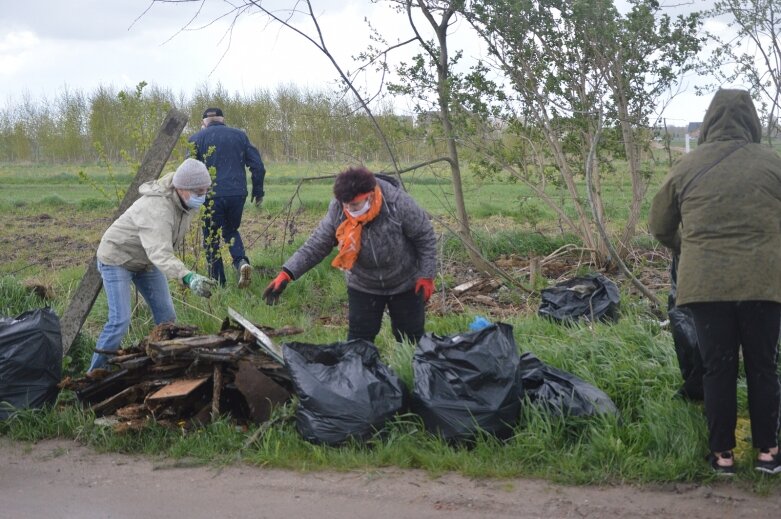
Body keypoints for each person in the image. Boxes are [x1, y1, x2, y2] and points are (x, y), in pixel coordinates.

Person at [649, 89, 781, 476]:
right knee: (763, 367)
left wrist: (687, 250)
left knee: (717, 368)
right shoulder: (773, 164)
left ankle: (722, 457)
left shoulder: (687, 166)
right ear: (753, 121)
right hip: (764, 284)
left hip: (706, 286)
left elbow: (659, 226)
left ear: (708, 121)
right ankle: (768, 454)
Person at [263, 166, 436, 344]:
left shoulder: (397, 203)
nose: (348, 208)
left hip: (404, 282)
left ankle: (409, 370)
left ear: (369, 195)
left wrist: (427, 275)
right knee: (358, 342)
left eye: (354, 204)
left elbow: (425, 237)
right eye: (345, 204)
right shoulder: (338, 208)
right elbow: (317, 244)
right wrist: (287, 272)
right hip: (363, 284)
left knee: (411, 340)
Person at [89, 158, 217, 372]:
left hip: (145, 261)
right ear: (182, 188)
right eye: (199, 192)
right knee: (119, 321)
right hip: (118, 258)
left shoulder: (185, 202)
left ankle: (165, 367)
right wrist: (188, 276)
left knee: (167, 318)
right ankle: (93, 375)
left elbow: (158, 250)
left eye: (205, 191)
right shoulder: (157, 208)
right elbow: (160, 252)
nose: (202, 196)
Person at [188, 107, 266, 288]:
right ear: (223, 119)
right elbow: (258, 167)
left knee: (211, 237)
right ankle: (241, 262)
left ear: (204, 122)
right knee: (230, 230)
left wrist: (190, 199)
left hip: (210, 196)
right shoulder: (239, 136)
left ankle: (218, 284)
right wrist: (258, 191)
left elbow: (188, 170)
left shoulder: (196, 139)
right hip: (237, 193)